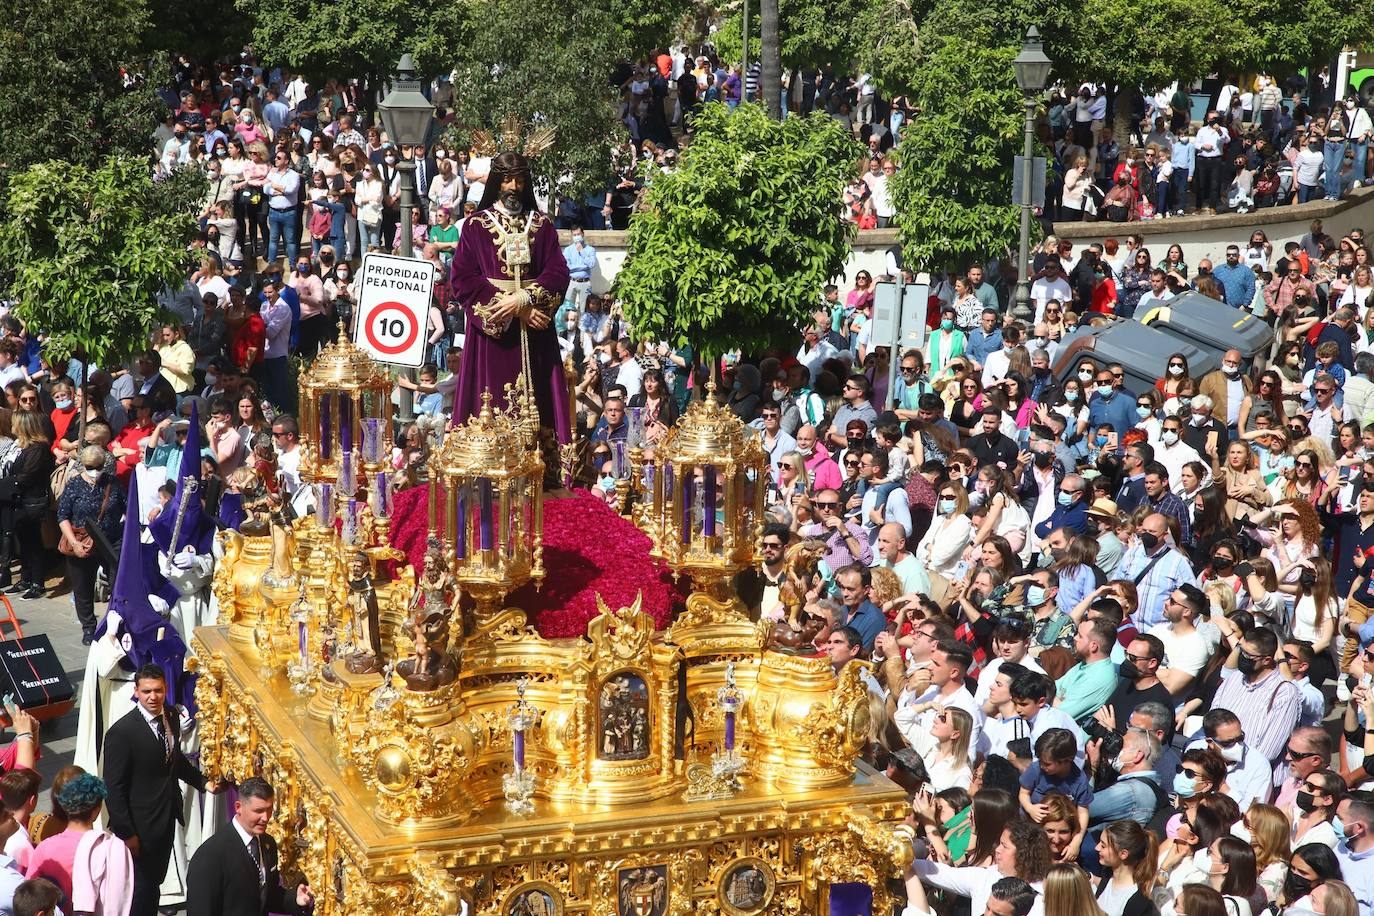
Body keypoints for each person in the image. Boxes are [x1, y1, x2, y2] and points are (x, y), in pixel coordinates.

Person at [451, 151, 572, 451]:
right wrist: (507, 307)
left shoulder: (542, 225)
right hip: (493, 338)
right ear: (496, 183)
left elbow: (558, 271)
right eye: (506, 180)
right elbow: (463, 278)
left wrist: (526, 299)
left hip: (536, 331)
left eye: (519, 180)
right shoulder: (475, 226)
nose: (513, 186)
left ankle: (544, 466)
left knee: (540, 397)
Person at [103, 664, 217, 916]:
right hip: (139, 825)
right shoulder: (122, 733)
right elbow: (114, 787)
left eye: (158, 690)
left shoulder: (170, 716)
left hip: (165, 818)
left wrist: (202, 782)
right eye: (146, 692)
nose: (152, 697)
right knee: (140, 889)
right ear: (136, 691)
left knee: (153, 884)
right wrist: (127, 833)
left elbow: (173, 759)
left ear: (165, 690)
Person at [186, 777, 312, 916]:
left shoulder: (268, 843)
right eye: (258, 811)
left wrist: (295, 899)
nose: (265, 817)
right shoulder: (210, 857)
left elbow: (268, 896)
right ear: (238, 807)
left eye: (269, 809)